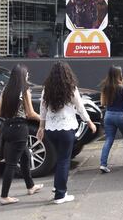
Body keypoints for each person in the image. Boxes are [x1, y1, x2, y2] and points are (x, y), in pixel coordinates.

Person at [37, 62, 96, 204]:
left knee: (59, 159)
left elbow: (42, 109)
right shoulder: (71, 88)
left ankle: (58, 187)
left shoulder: (47, 89)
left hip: (51, 130)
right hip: (67, 128)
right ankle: (60, 194)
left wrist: (41, 127)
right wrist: (89, 122)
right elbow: (80, 108)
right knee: (64, 160)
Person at [0, 65, 43, 206]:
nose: (28, 76)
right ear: (23, 76)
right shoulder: (25, 91)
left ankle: (30, 186)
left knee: (26, 156)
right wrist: (44, 120)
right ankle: (4, 196)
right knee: (11, 164)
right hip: (19, 129)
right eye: (27, 74)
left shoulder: (6, 90)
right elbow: (30, 113)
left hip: (7, 127)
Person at [99, 66, 123, 173]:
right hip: (122, 116)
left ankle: (103, 164)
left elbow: (103, 103)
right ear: (119, 74)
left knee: (109, 140)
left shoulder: (105, 86)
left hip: (109, 116)